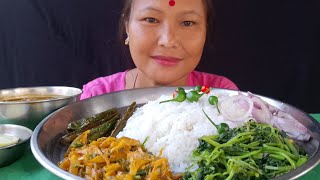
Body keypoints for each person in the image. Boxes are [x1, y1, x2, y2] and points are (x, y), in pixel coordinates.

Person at [80, 0, 238, 100]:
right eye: (151, 19)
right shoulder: (97, 97)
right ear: (127, 26)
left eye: (188, 23)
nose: (168, 41)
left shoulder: (222, 94)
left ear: (205, 31)